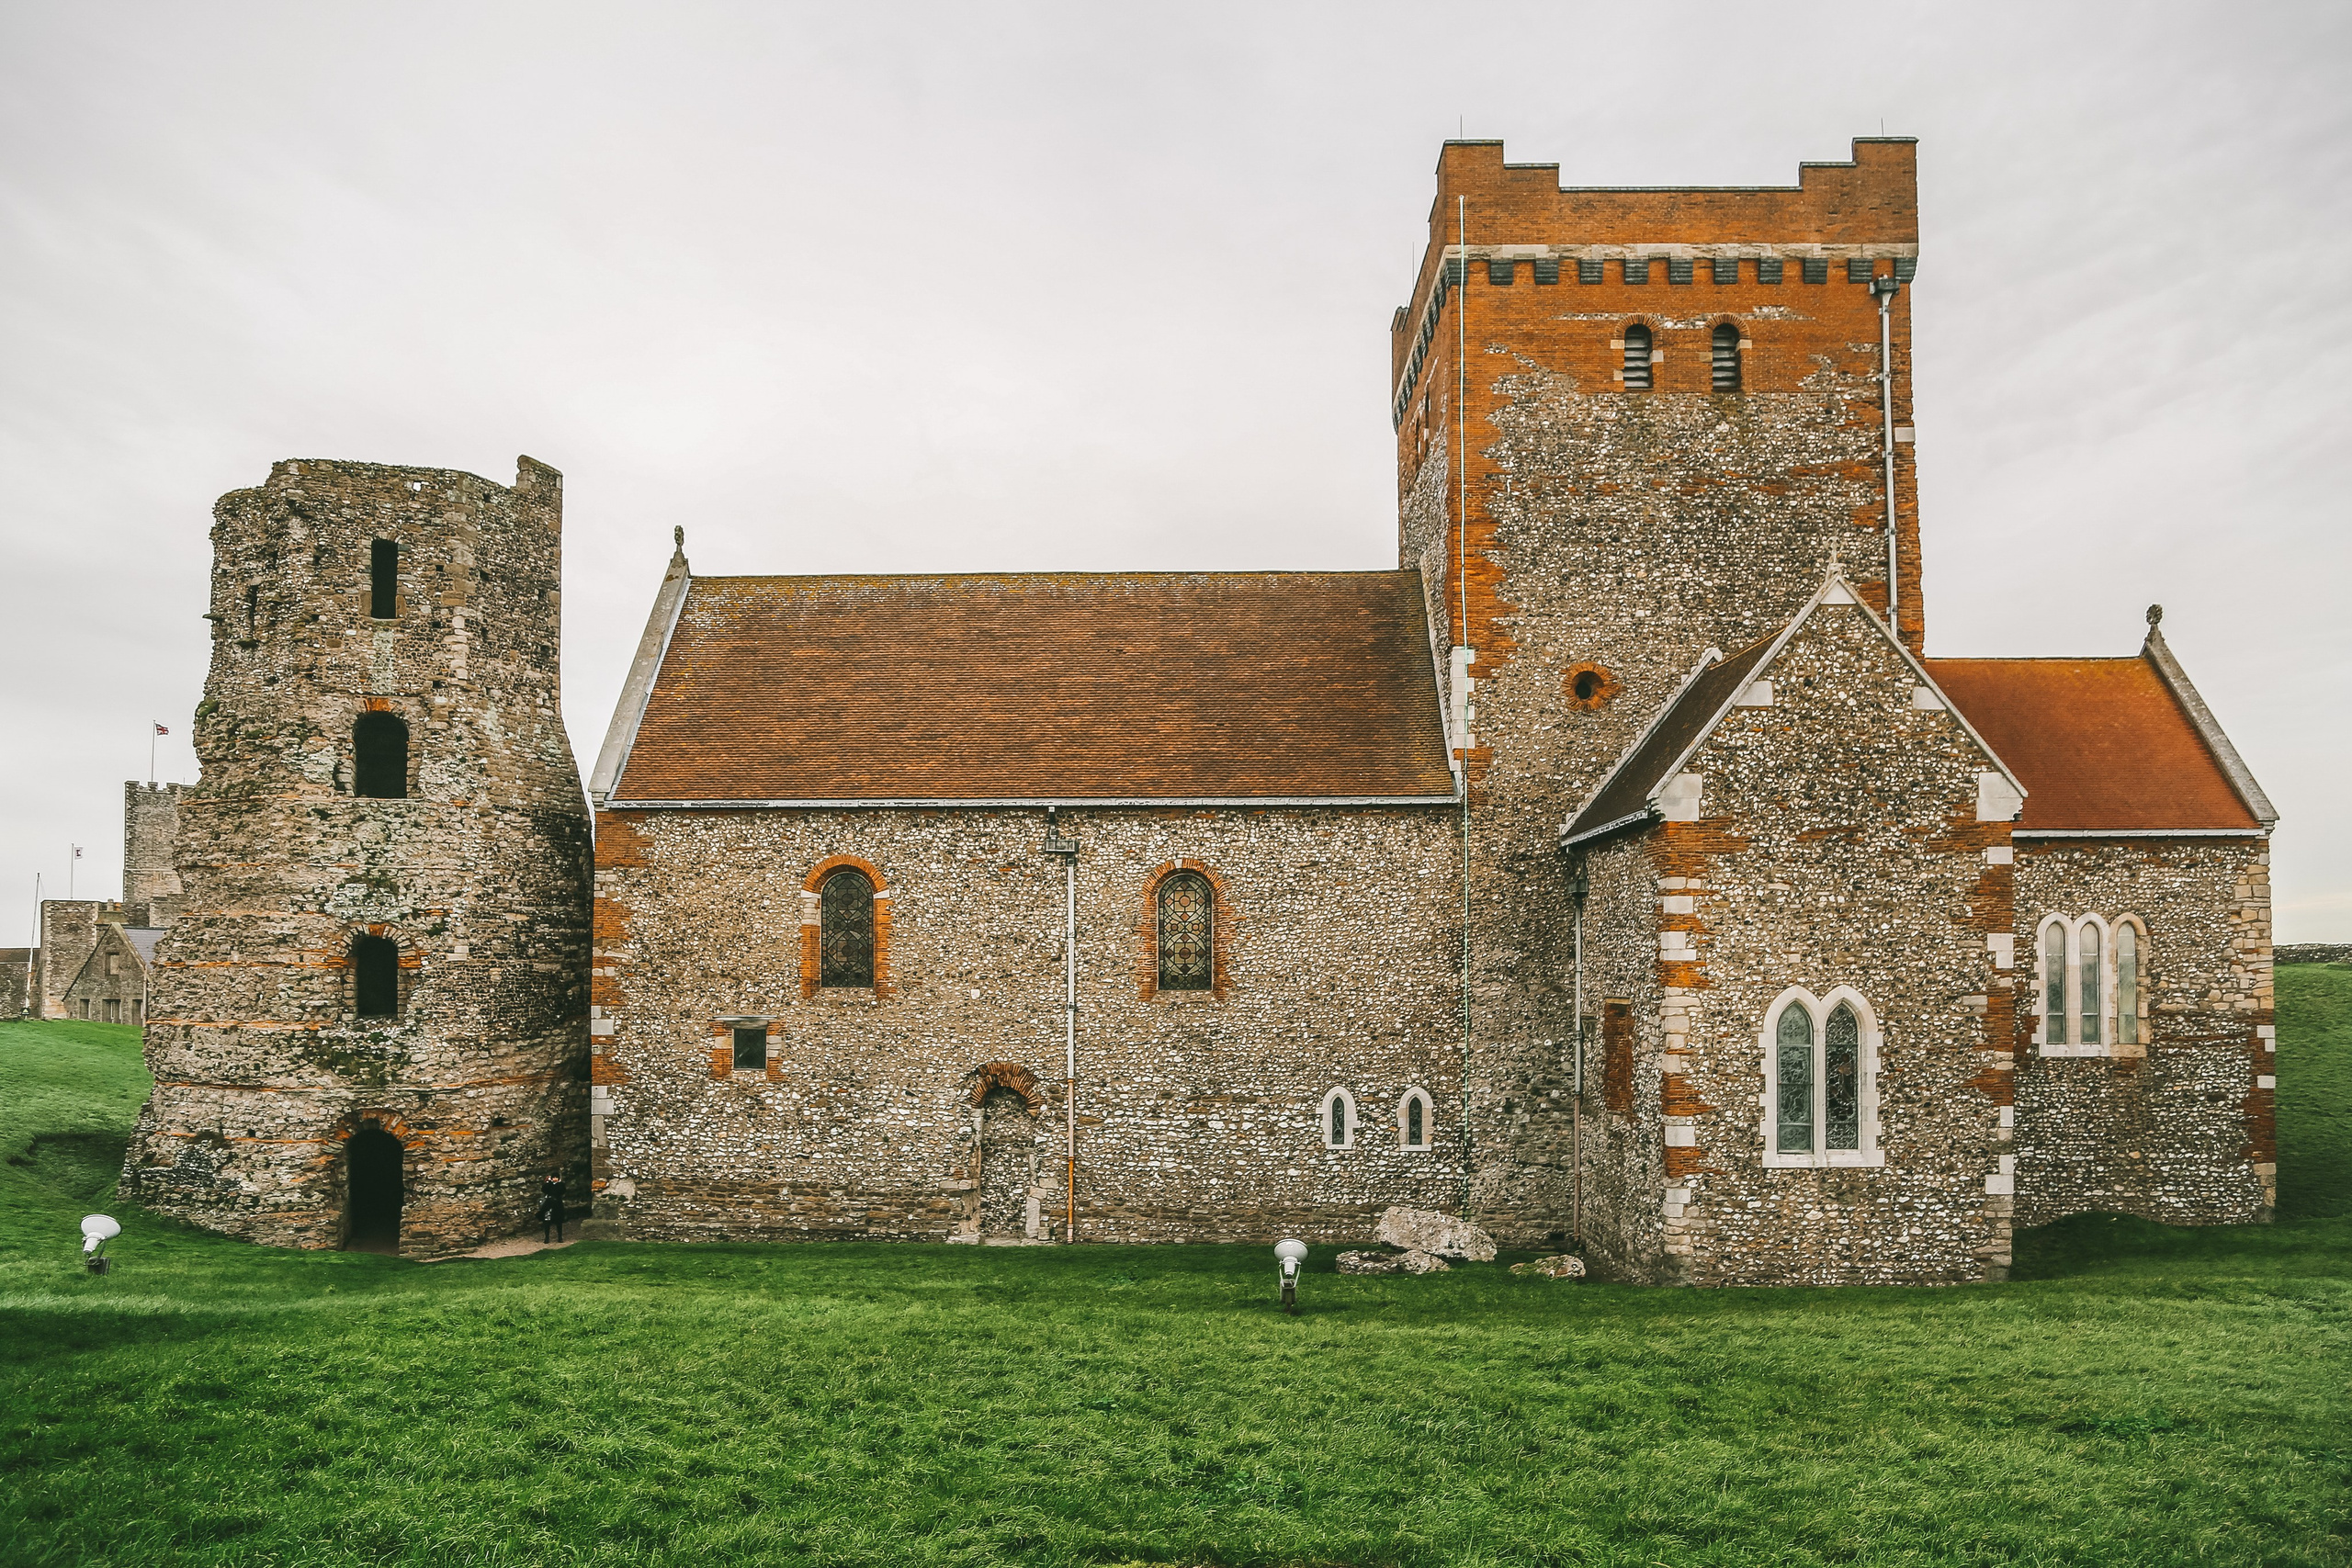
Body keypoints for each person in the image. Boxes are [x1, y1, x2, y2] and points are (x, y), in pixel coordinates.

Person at [537, 1172, 566, 1243]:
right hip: (549, 1204)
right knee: (547, 1220)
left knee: (558, 1221)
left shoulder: (561, 1185)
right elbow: (544, 1190)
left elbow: (562, 1191)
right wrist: (548, 1182)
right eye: (554, 1177)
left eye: (556, 1178)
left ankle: (560, 1237)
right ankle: (547, 1237)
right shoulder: (549, 1185)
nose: (555, 1179)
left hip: (557, 1204)